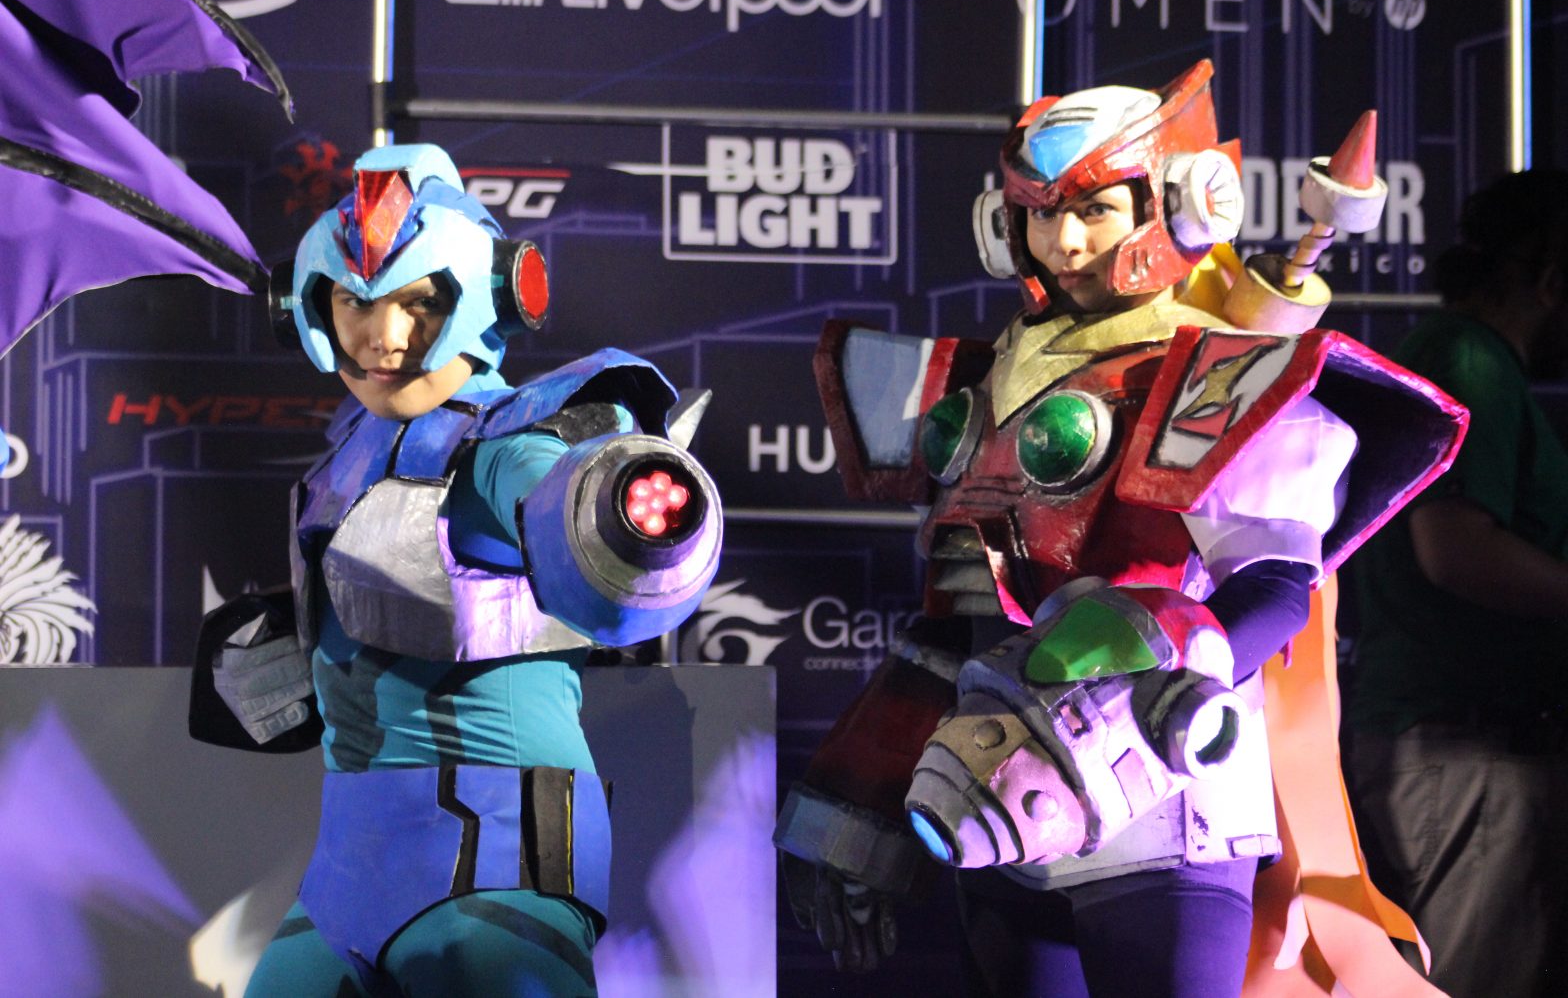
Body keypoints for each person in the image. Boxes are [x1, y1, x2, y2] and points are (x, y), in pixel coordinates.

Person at [775, 61, 1462, 996]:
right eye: (1039, 212)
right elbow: (955, 628)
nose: (1063, 241)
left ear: (1181, 201)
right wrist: (860, 795)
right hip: (1002, 807)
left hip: (1163, 799)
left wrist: (1152, 677)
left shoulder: (1223, 374)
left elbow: (1274, 590)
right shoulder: (979, 388)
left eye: (1094, 208)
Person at [189, 143, 722, 997]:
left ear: (490, 296)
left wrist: (618, 512)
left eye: (418, 301)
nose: (383, 336)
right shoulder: (347, 459)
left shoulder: (509, 443)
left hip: (497, 859)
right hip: (349, 869)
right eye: (354, 302)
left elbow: (576, 508)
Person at [1345, 168, 1568, 998]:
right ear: (1551, 281)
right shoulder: (1467, 356)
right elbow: (1455, 549)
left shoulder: (1463, 356)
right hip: (1459, 751)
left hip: (1459, 753)